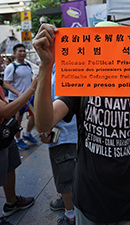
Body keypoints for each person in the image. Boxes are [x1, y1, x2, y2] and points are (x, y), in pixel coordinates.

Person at [33, 22, 130, 225]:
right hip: (87, 199)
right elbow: (44, 123)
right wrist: (46, 65)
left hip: (128, 201)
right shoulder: (79, 84)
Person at [0, 55, 37, 225]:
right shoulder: (10, 68)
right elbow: (5, 110)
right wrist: (31, 89)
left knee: (10, 167)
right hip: (4, 128)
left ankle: (11, 202)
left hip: (5, 133)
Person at [40, 64, 77, 225]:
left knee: (65, 179)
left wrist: (46, 132)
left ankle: (70, 215)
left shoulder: (62, 72)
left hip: (64, 135)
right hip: (72, 134)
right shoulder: (64, 68)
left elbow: (52, 110)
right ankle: (68, 202)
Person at [4, 44, 37, 150]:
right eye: (20, 51)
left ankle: (27, 134)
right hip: (17, 99)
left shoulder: (28, 65)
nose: (23, 53)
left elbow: (29, 80)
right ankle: (18, 140)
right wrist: (18, 93)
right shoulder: (11, 67)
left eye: (24, 51)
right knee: (17, 120)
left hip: (29, 98)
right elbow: (6, 83)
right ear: (14, 53)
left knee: (35, 116)